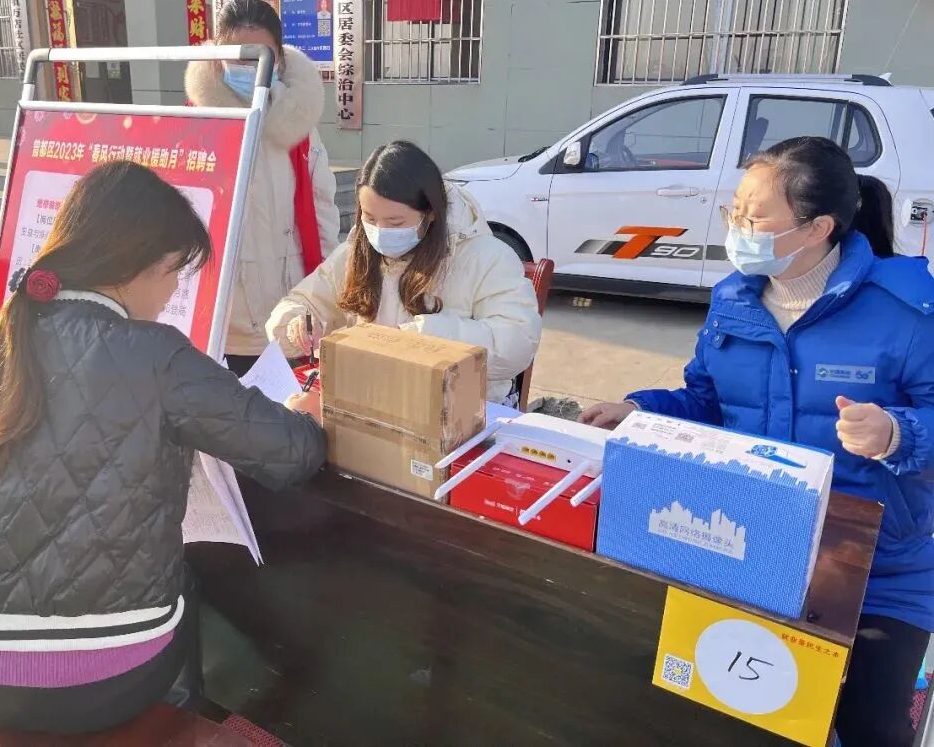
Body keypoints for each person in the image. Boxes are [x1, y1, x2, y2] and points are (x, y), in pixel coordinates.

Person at [0, 162, 325, 734]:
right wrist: (304, 413)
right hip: (103, 680)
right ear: (143, 265)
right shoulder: (155, 353)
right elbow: (293, 453)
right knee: (189, 585)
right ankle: (178, 727)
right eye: (175, 273)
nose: (172, 293)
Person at [583, 137, 934, 747]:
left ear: (818, 227)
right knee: (737, 708)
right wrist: (638, 410)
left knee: (870, 726)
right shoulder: (733, 300)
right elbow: (708, 403)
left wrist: (896, 433)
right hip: (753, 543)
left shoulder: (904, 311)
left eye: (755, 218)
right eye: (735, 213)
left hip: (878, 566)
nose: (738, 230)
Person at [267, 140, 542, 405]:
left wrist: (425, 339)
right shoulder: (356, 252)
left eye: (395, 222)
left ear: (430, 213)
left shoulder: (486, 257)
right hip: (373, 400)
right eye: (369, 218)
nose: (380, 232)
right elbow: (299, 303)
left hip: (462, 410)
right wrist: (296, 323)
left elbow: (517, 343)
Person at [184, 0, 340, 377]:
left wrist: (327, 293)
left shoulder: (297, 125)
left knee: (295, 405)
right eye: (240, 56)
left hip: (294, 313)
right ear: (219, 56)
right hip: (229, 321)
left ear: (280, 59)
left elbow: (323, 209)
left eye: (262, 56)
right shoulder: (197, 126)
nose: (250, 68)